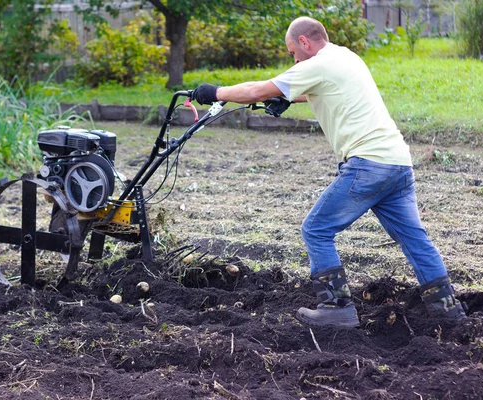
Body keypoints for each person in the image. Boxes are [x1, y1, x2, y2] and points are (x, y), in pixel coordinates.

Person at [191, 16, 466, 328]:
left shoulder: (317, 64)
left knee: (316, 229)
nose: (293, 59)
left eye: (293, 52)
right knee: (415, 240)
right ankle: (448, 311)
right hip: (397, 163)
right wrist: (284, 96)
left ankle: (335, 307)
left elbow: (256, 90)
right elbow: (317, 91)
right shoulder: (347, 57)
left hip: (369, 165)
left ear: (305, 43)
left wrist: (215, 92)